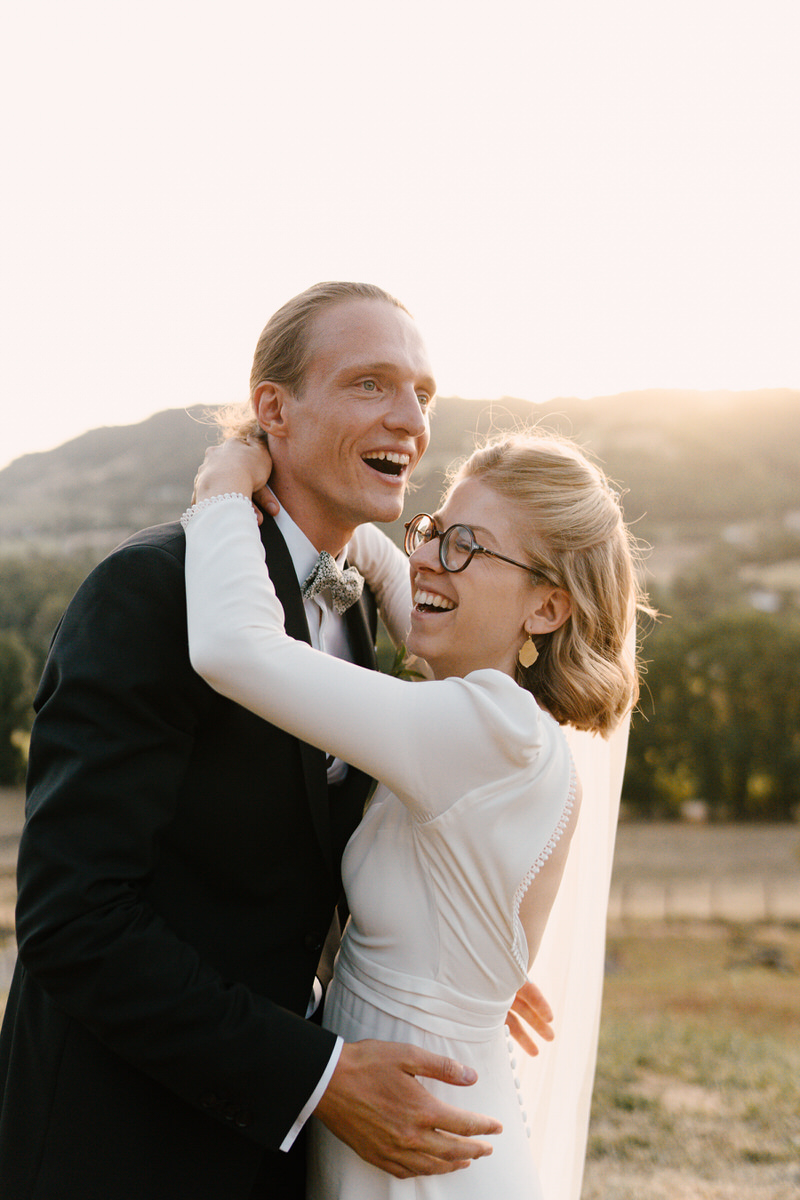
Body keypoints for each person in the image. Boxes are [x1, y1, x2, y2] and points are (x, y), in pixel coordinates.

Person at [0, 282, 549, 1200]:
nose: (411, 420)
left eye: (424, 392)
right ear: (273, 411)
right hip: (115, 1143)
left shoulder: (365, 611)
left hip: (267, 1153)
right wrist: (318, 1077)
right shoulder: (150, 591)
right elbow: (73, 916)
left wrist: (446, 938)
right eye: (372, 383)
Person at [181, 425, 645, 1198]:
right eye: (432, 532)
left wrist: (224, 489)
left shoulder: (481, 730)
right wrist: (354, 526)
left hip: (421, 1139)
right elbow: (411, 586)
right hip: (413, 1097)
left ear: (548, 607)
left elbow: (235, 649)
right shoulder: (502, 719)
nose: (429, 557)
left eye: (465, 546)